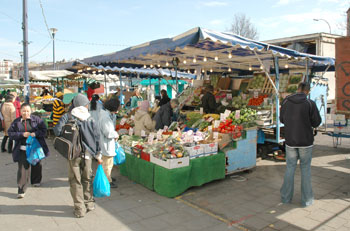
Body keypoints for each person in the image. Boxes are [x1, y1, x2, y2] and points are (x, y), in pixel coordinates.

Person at [54, 93, 102, 218]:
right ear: (86, 105)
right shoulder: (90, 118)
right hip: (88, 155)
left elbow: (57, 131)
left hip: (73, 154)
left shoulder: (67, 116)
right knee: (87, 178)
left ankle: (79, 209)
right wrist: (98, 153)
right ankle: (89, 203)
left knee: (75, 181)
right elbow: (97, 138)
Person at [280, 82, 321, 207]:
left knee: (290, 168)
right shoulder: (310, 103)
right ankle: (306, 200)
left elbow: (282, 119)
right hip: (306, 142)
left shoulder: (286, 102)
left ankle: (285, 198)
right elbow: (316, 123)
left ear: (297, 89)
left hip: (290, 141)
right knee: (305, 169)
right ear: (307, 91)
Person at [8, 103, 49, 198]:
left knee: (37, 164)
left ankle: (36, 181)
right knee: (22, 169)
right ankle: (21, 190)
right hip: (22, 149)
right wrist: (22, 134)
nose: (25, 113)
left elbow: (44, 130)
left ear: (30, 111)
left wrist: (35, 134)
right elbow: (11, 134)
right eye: (23, 111)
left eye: (27, 111)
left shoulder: (37, 120)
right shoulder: (16, 122)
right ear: (20, 111)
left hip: (35, 148)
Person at [98, 98, 120, 188]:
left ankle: (108, 176)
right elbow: (108, 132)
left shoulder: (106, 114)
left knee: (108, 163)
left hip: (106, 143)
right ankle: (107, 181)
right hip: (106, 143)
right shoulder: (105, 117)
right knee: (107, 164)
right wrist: (116, 134)